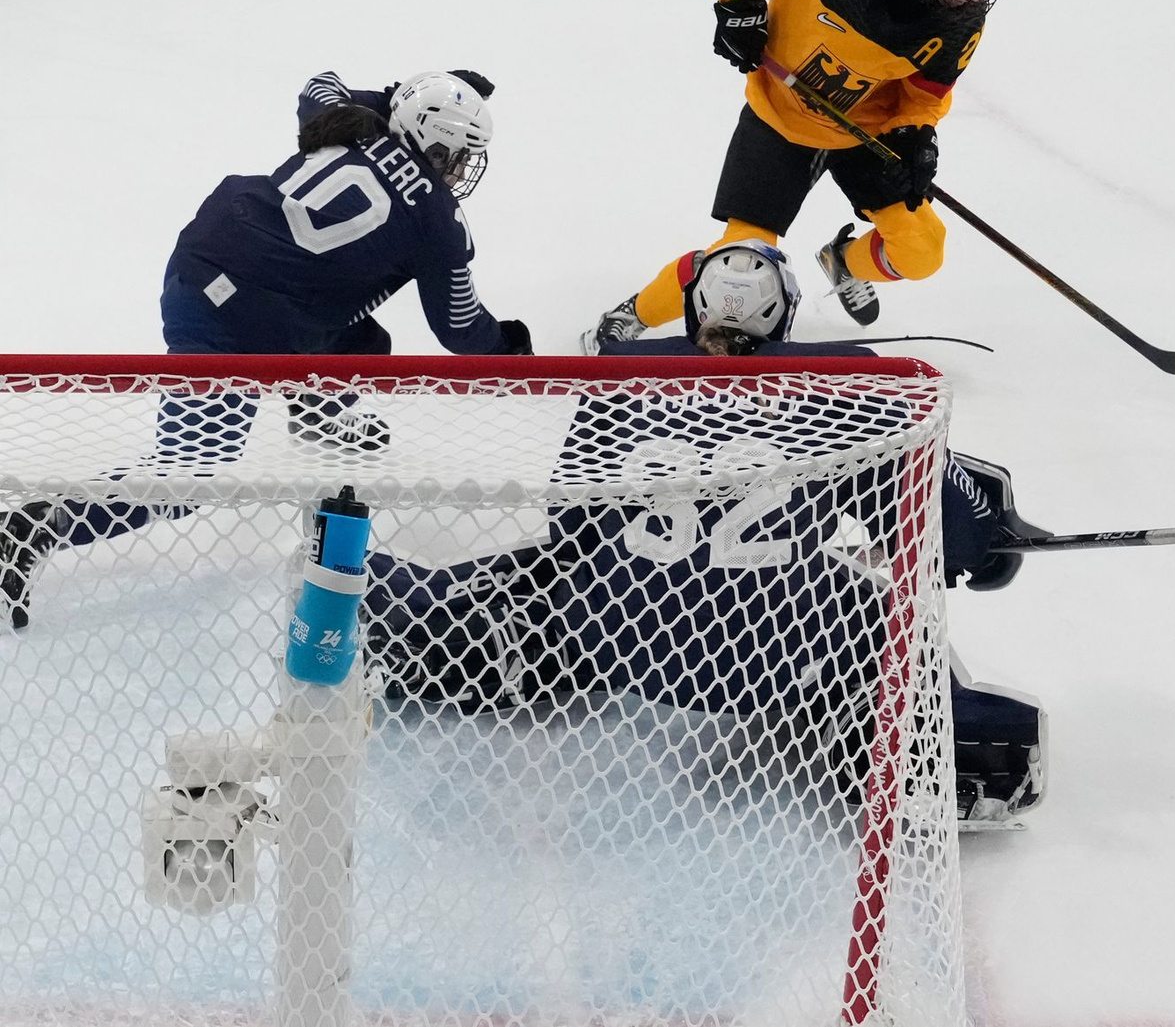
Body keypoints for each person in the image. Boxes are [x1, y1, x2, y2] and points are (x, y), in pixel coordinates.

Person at [366, 242, 1046, 825]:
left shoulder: (617, 376)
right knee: (883, 611)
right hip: (774, 662)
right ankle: (928, 747)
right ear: (782, 311)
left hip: (617, 646)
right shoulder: (850, 383)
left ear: (693, 308)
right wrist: (984, 532)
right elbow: (942, 530)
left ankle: (408, 616)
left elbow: (568, 524)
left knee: (544, 578)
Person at [0, 68, 532, 631]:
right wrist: (513, 348)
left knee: (364, 343)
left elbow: (319, 83)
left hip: (205, 253)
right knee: (190, 473)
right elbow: (460, 328)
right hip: (236, 318)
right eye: (459, 154)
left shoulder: (355, 126)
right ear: (436, 141)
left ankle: (315, 415)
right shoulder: (439, 222)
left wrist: (401, 95)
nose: (461, 170)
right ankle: (36, 527)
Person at [582, 0, 1017, 351]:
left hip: (863, 136)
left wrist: (915, 139)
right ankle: (633, 314)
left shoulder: (960, 21)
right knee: (738, 269)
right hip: (780, 120)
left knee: (922, 251)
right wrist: (740, 4)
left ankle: (845, 262)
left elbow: (925, 95)